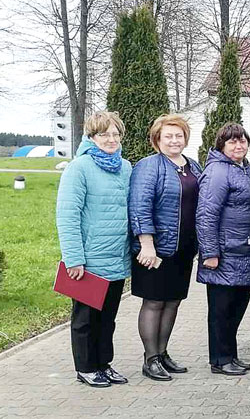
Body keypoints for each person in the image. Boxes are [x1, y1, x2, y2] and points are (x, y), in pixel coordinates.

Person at [56, 111, 133, 388]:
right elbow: (67, 215)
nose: (111, 139)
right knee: (85, 319)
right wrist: (74, 258)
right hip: (88, 260)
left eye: (115, 134)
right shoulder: (79, 167)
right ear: (92, 137)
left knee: (108, 319)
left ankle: (104, 364)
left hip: (116, 257)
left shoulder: (125, 167)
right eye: (104, 134)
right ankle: (86, 367)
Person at [129, 114, 203, 381]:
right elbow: (139, 206)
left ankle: (162, 353)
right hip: (156, 249)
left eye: (178, 135)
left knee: (173, 301)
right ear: (157, 139)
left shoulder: (192, 165)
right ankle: (150, 359)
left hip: (183, 248)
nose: (174, 140)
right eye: (168, 136)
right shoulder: (149, 166)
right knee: (154, 301)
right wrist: (145, 244)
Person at [196, 123, 250, 376]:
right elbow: (206, 214)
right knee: (221, 310)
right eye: (232, 142)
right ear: (222, 145)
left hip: (244, 251)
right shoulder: (217, 172)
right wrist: (210, 252)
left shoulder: (246, 169)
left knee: (237, 307)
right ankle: (220, 359)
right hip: (223, 253)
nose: (239, 146)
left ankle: (231, 355)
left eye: (242, 141)